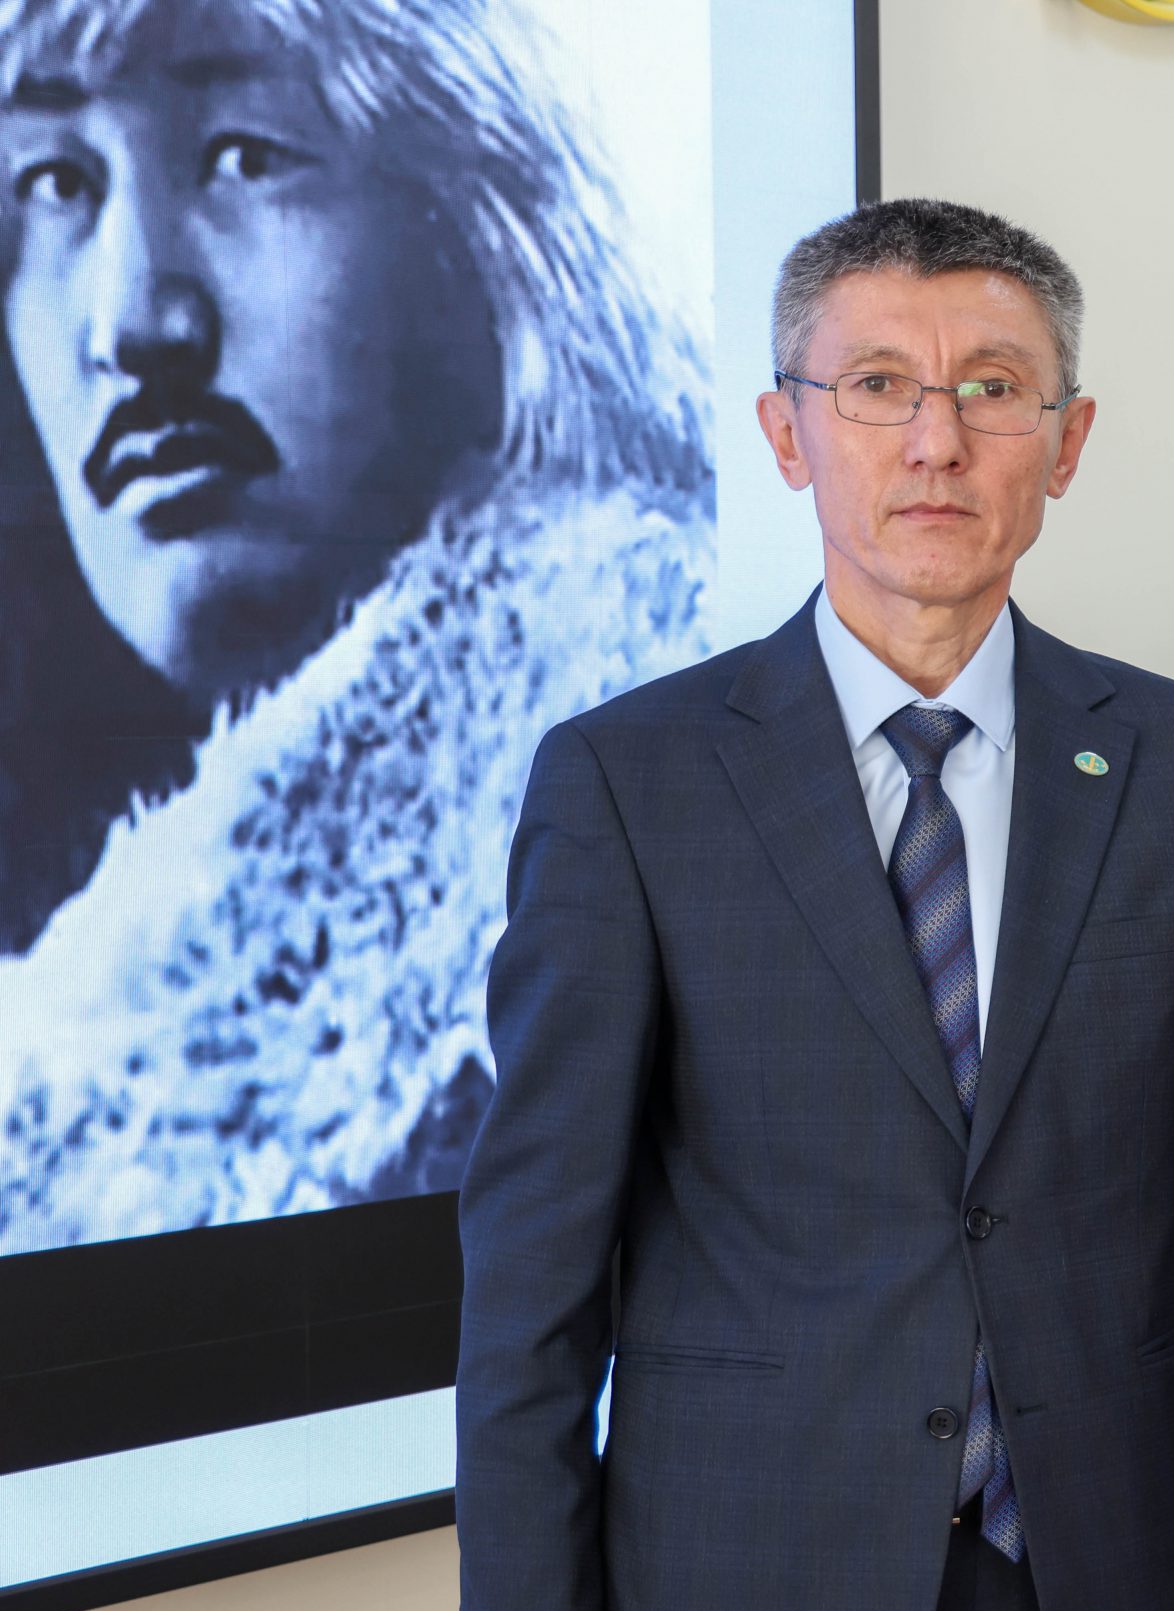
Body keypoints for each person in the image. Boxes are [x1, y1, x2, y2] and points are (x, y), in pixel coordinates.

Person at [456, 198, 1174, 1611]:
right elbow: (534, 1263)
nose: (938, 438)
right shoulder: (629, 780)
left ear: (1066, 443)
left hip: (1086, 1600)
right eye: (877, 386)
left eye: (994, 388)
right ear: (789, 433)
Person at [0, 0, 710, 1249]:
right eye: (55, 182)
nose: (134, 321)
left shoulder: (656, 797)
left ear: (476, 231)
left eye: (243, 156)